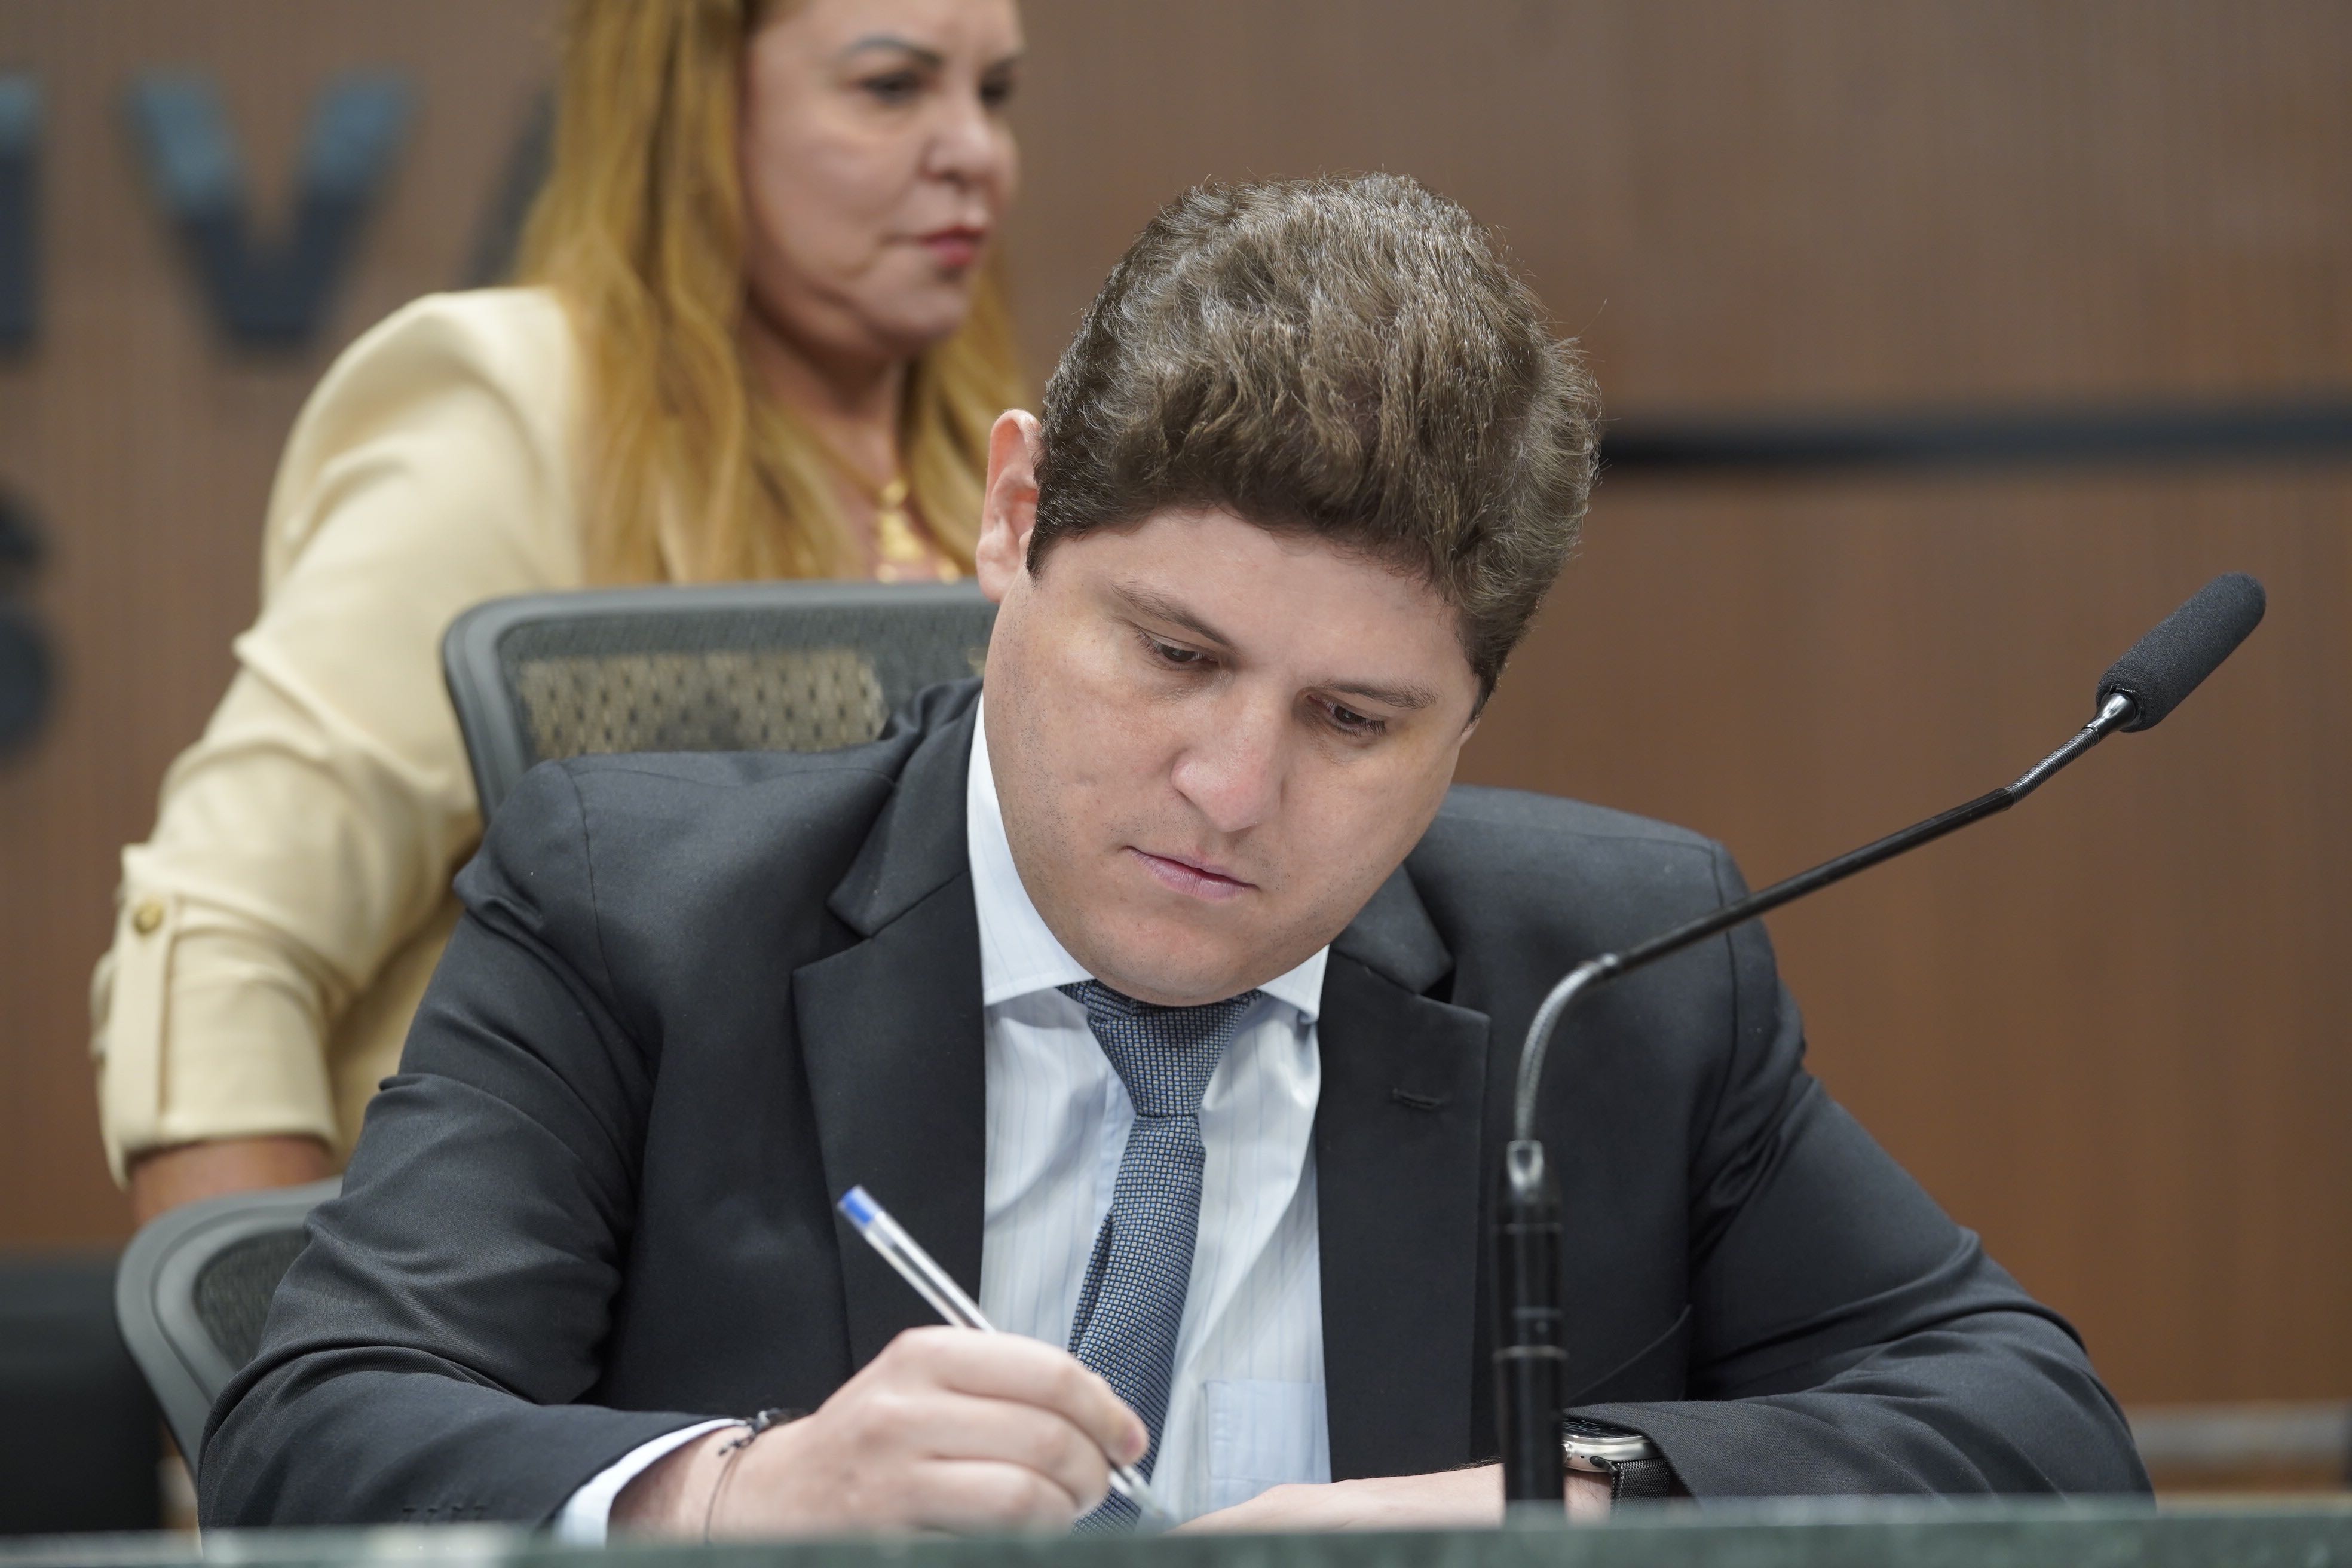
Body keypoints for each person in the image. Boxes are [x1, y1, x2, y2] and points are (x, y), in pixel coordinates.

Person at [201, 174, 2147, 1536]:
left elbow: (2035, 1428)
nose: (1229, 788)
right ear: (1013, 518)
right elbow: (306, 1436)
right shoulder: (635, 912)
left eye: (1352, 721)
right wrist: (739, 1495)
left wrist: (1559, 1500)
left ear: (1472, 720)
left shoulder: (1617, 977)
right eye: (1173, 656)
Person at [92, 0, 1027, 1222]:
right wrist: (280, 1335)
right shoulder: (523, 419)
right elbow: (221, 936)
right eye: (891, 88)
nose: (974, 151)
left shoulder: (1009, 460)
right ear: (692, 109)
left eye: (995, 93)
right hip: (553, 1310)